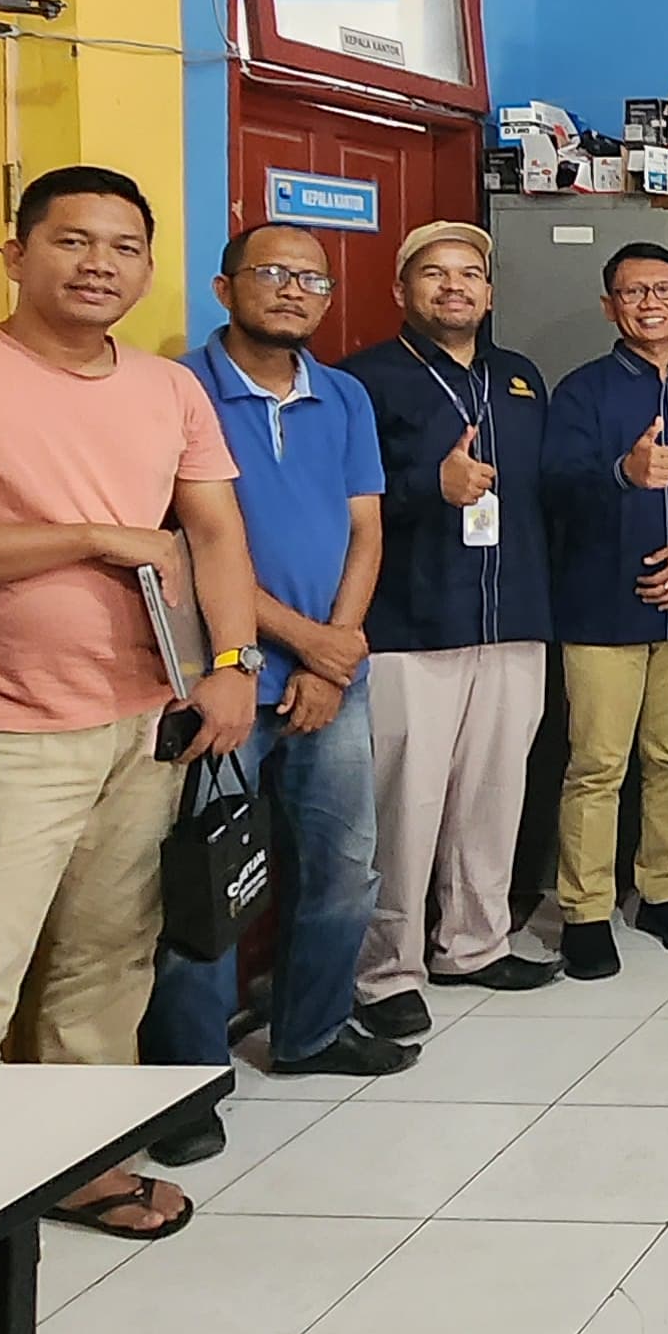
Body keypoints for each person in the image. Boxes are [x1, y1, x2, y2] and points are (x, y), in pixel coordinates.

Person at [0, 165, 262, 1255]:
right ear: (16, 252)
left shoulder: (167, 388)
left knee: (108, 964)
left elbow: (215, 531)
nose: (100, 265)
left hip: (146, 721)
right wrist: (90, 536)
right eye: (72, 241)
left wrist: (234, 663)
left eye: (125, 247)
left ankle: (83, 1164)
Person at [142, 224, 408, 1102]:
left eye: (312, 279)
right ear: (224, 289)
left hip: (331, 681)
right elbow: (191, 546)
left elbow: (366, 532)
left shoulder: (344, 395)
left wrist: (332, 659)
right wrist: (307, 641)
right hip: (219, 679)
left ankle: (312, 1031)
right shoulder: (176, 388)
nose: (294, 290)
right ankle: (189, 1079)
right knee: (204, 877)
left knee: (342, 869)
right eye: (272, 273)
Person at [340, 220, 561, 1032]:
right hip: (411, 624)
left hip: (514, 615)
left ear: (490, 293)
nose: (455, 286)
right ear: (402, 289)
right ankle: (386, 970)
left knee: (494, 796)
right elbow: (344, 503)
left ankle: (474, 943)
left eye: (470, 273)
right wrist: (426, 485)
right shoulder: (361, 382)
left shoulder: (520, 378)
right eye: (435, 273)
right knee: (405, 807)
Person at [540, 242, 668, 977]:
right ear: (609, 307)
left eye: (664, 289)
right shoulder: (581, 392)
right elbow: (554, 490)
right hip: (601, 613)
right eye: (633, 292)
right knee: (597, 765)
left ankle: (662, 892)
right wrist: (623, 474)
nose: (650, 303)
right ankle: (586, 911)